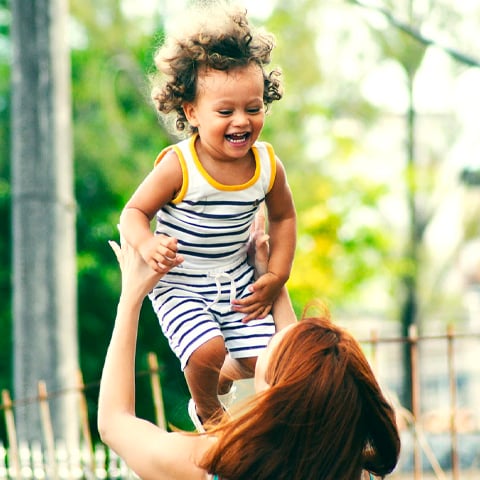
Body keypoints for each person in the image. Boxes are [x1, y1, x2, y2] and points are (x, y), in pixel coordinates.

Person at [119, 3, 296, 429]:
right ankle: (209, 414)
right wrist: (147, 243)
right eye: (225, 112)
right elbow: (133, 212)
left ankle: (223, 377)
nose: (242, 121)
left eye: (253, 108)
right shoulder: (180, 166)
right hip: (180, 280)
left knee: (263, 360)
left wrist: (276, 275)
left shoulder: (267, 165)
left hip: (235, 276)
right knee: (206, 352)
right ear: (192, 112)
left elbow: (285, 218)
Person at [98, 230, 401, 480]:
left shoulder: (210, 464)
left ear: (274, 394)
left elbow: (114, 422)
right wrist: (268, 278)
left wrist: (131, 297)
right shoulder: (354, 471)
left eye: (270, 346)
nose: (267, 339)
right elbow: (304, 379)